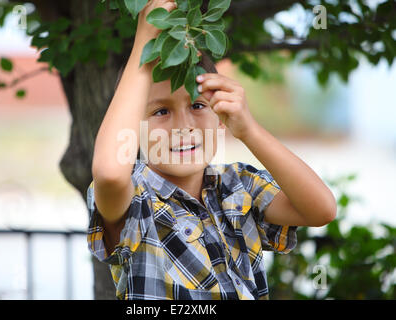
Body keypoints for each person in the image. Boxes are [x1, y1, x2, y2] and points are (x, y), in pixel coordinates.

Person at [87, 0, 337, 300]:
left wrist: (249, 131)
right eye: (160, 112)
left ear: (220, 117)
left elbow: (322, 209)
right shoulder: (136, 198)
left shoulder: (238, 185)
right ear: (132, 129)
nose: (183, 126)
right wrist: (145, 41)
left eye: (197, 105)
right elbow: (109, 173)